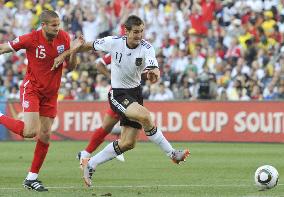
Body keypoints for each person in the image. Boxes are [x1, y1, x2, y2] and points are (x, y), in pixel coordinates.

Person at [58, 15, 190, 187]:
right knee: (146, 117)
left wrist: (154, 74)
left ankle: (91, 164)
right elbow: (88, 46)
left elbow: (154, 68)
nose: (139, 35)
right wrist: (69, 52)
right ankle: (172, 153)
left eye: (141, 31)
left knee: (128, 143)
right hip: (118, 93)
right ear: (126, 31)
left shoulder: (147, 48)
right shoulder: (113, 42)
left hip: (135, 94)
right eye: (135, 32)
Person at [0, 10, 83, 192]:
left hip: (51, 93)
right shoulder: (31, 38)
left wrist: (73, 51)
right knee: (30, 132)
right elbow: (4, 48)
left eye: (58, 24)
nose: (57, 28)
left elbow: (72, 66)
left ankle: (32, 178)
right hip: (33, 89)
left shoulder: (64, 37)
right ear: (43, 25)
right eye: (53, 25)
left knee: (45, 135)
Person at [77, 53, 125, 164]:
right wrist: (111, 77)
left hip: (131, 93)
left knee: (106, 128)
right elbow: (99, 63)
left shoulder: (142, 49)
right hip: (120, 94)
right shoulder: (117, 47)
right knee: (136, 123)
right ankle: (117, 148)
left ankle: (85, 153)